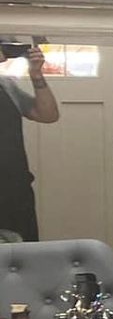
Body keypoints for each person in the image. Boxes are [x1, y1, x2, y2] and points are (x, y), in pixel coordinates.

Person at [0, 42, 60, 241]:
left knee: (24, 263)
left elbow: (48, 114)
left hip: (14, 192)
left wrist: (37, 76)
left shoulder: (6, 86)